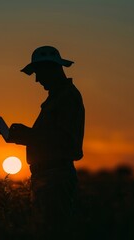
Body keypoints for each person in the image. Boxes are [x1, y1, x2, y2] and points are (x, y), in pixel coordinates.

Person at [7, 46, 85, 236]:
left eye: (39, 73)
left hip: (55, 177)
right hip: (48, 177)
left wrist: (28, 135)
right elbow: (53, 137)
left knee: (53, 232)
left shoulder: (67, 97)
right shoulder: (59, 98)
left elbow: (64, 140)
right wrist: (26, 136)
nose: (37, 79)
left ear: (51, 68)